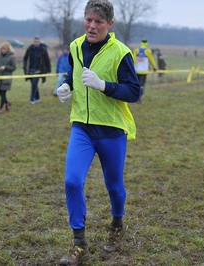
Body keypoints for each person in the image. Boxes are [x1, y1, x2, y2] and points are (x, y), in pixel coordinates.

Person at [55, 0, 140, 264]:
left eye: (98, 22)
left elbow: (134, 92)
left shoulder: (121, 52)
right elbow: (73, 71)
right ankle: (79, 245)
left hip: (112, 130)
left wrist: (104, 85)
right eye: (88, 20)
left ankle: (117, 224)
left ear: (110, 24)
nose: (92, 26)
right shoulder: (75, 46)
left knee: (113, 186)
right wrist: (66, 85)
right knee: (72, 181)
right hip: (81, 127)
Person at [22, 36, 51, 104]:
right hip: (30, 70)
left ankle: (32, 99)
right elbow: (25, 58)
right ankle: (37, 98)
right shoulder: (30, 49)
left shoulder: (43, 49)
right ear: (33, 42)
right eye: (35, 42)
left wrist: (48, 70)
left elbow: (47, 60)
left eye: (37, 42)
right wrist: (24, 66)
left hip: (39, 70)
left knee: (34, 83)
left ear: (39, 42)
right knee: (34, 85)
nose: (36, 43)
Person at [0, 41, 16, 114]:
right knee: (0, 93)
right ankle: (7, 103)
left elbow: (13, 67)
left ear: (8, 49)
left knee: (3, 93)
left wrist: (5, 67)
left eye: (4, 49)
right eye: (2, 49)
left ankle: (0, 108)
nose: (3, 50)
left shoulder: (11, 57)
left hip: (6, 79)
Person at [133, 39, 156, 103]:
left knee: (137, 84)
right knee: (142, 85)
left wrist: (132, 67)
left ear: (141, 43)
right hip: (144, 71)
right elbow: (151, 59)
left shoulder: (136, 50)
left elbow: (133, 59)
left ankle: (136, 97)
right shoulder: (148, 51)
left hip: (136, 70)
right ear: (146, 44)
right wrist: (154, 67)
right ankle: (139, 98)